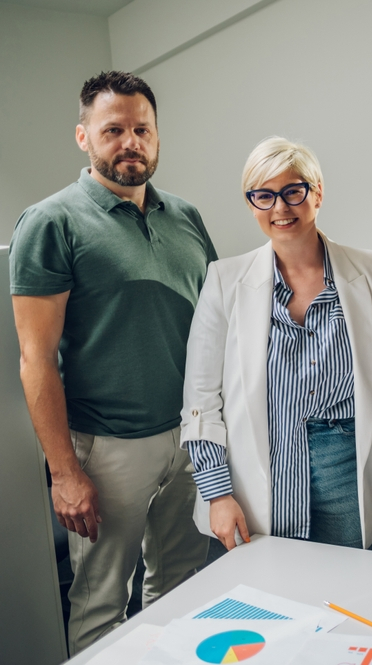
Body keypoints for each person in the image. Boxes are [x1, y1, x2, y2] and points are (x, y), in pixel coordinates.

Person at [9, 71, 215, 654]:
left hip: (191, 439)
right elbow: (35, 359)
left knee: (181, 588)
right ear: (83, 137)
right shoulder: (51, 222)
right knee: (102, 601)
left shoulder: (185, 216)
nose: (131, 142)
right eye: (113, 130)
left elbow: (212, 323)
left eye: (142, 130)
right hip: (106, 449)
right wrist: (65, 473)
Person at [181, 137, 372, 553]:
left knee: (353, 598)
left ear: (317, 192)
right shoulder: (224, 280)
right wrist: (217, 493)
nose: (280, 208)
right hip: (261, 473)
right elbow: (202, 400)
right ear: (251, 203)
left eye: (293, 191)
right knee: (271, 603)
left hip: (347, 470)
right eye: (264, 196)